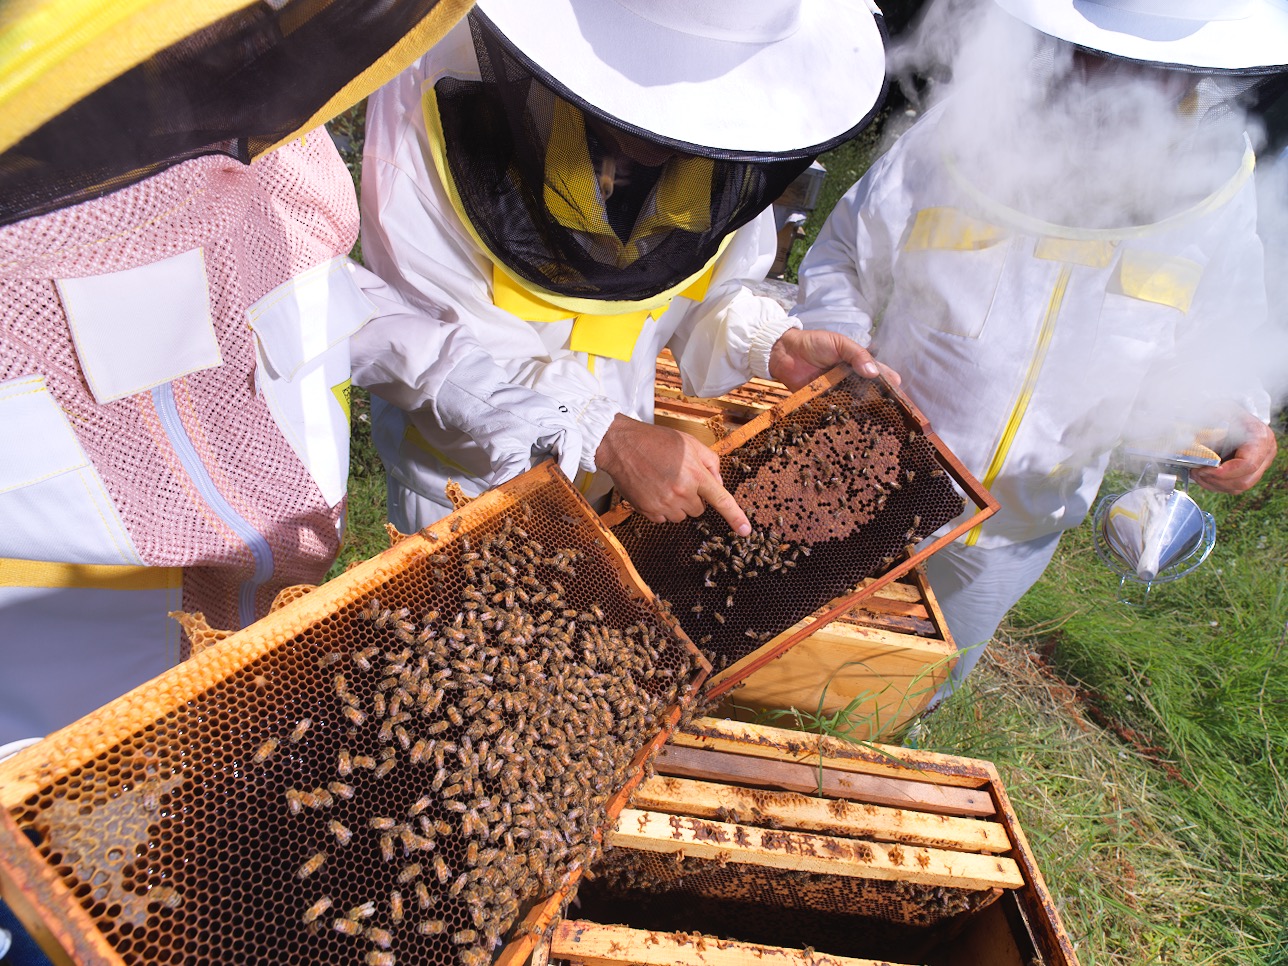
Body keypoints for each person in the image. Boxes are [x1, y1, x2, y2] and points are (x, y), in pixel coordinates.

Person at [0, 0, 478, 752]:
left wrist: (556, 413)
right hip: (58, 753)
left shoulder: (289, 170)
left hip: (263, 685)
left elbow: (337, 311)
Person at [793, 0, 1285, 702]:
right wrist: (839, 347)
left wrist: (1236, 416)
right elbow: (844, 255)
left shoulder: (1219, 186)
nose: (1122, 82)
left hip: (1019, 528)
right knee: (772, 662)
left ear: (1195, 73)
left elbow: (1224, 332)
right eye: (1105, 55)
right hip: (861, 476)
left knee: (897, 702)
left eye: (1156, 69)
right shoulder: (966, 128)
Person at [352, 0, 893, 536]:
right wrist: (604, 433)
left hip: (619, 486)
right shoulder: (432, 93)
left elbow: (693, 291)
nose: (674, 134)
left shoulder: (733, 143)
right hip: (467, 486)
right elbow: (422, 338)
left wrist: (769, 343)